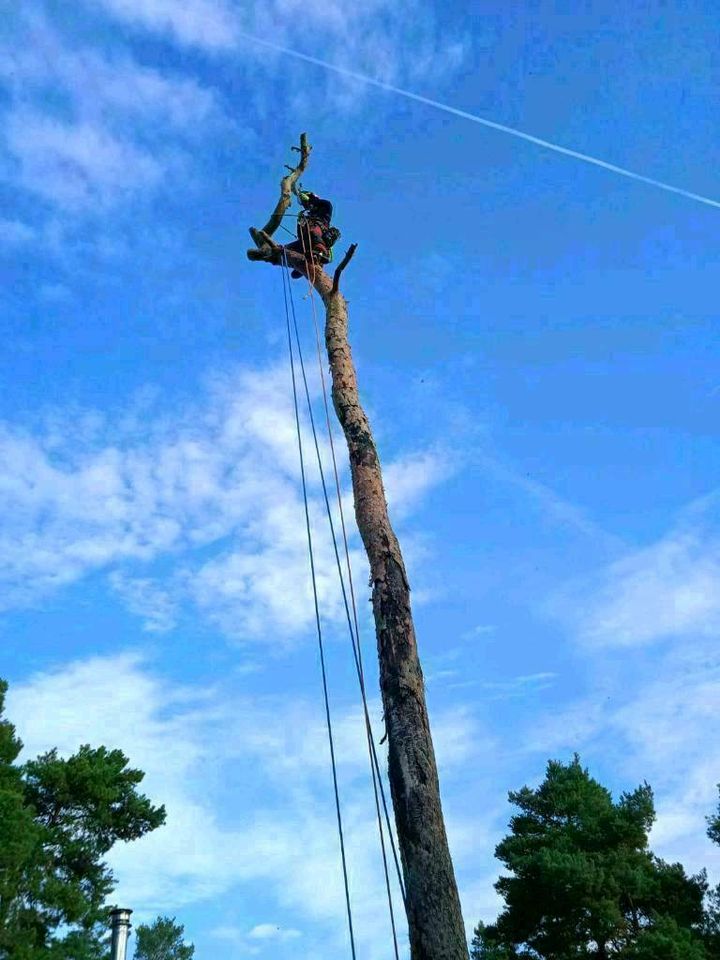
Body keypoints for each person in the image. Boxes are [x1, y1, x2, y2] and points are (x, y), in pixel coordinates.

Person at [285, 188, 339, 278]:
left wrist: (312, 200)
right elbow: (300, 235)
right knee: (286, 249)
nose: (304, 205)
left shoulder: (324, 206)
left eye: (305, 202)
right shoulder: (307, 215)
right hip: (307, 242)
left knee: (313, 228)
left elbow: (325, 204)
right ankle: (301, 263)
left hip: (320, 236)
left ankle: (320, 252)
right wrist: (300, 220)